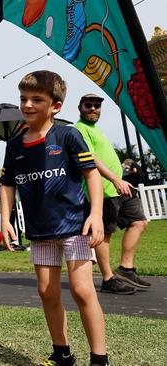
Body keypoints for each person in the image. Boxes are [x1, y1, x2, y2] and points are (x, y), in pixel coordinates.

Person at [0, 71, 108, 366]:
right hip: (40, 231)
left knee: (82, 290)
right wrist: (5, 219)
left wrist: (96, 215)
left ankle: (100, 358)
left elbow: (92, 175)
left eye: (37, 99)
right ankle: (62, 354)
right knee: (47, 292)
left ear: (55, 106)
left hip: (74, 225)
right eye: (23, 98)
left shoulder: (67, 135)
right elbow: (7, 183)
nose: (28, 104)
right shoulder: (14, 145)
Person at [74, 93, 150, 294]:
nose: (93, 109)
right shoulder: (79, 129)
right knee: (104, 234)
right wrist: (115, 179)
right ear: (80, 108)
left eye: (96, 106)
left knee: (140, 222)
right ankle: (108, 279)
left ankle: (126, 268)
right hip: (103, 191)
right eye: (88, 105)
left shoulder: (96, 129)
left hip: (120, 188)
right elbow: (90, 158)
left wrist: (121, 180)